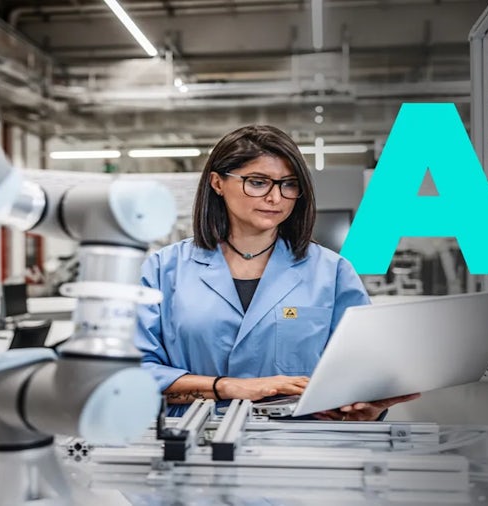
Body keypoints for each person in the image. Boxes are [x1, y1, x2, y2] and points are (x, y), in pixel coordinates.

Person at [135, 125, 419, 420]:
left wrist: (366, 409)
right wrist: (229, 387)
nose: (276, 198)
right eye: (258, 182)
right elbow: (136, 373)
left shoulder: (331, 272)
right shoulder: (165, 269)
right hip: (195, 443)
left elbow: (360, 371)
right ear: (217, 183)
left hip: (303, 447)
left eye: (289, 184)